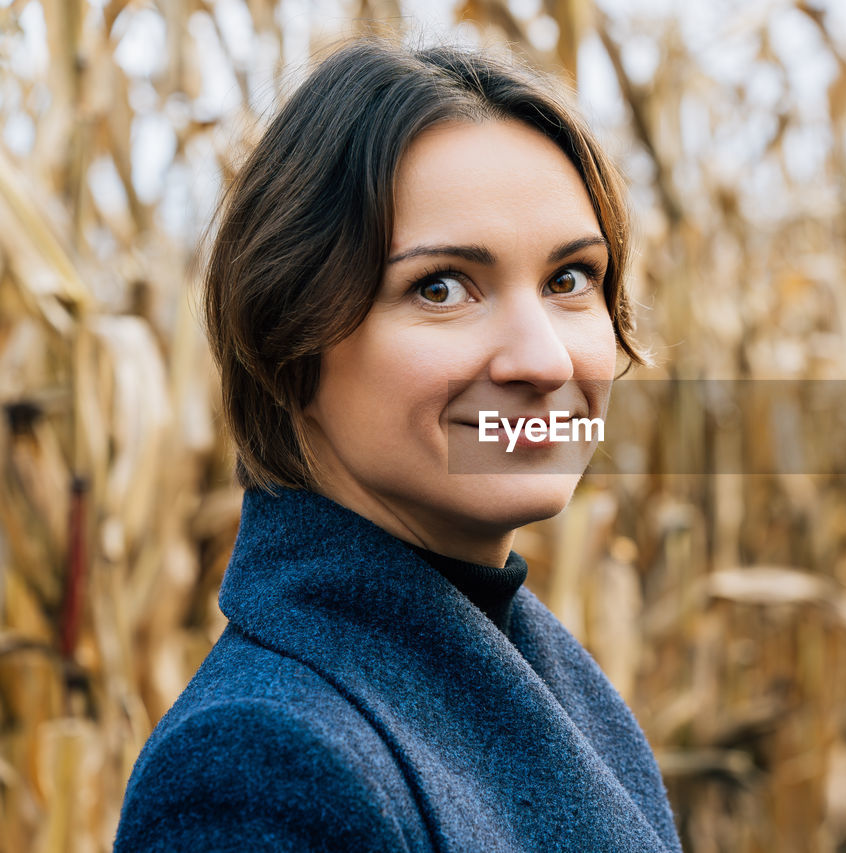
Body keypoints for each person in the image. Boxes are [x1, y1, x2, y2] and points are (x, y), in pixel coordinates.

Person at [114, 38, 682, 853]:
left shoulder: (548, 677)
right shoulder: (259, 771)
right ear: (288, 342)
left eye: (569, 280)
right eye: (442, 287)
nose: (544, 360)